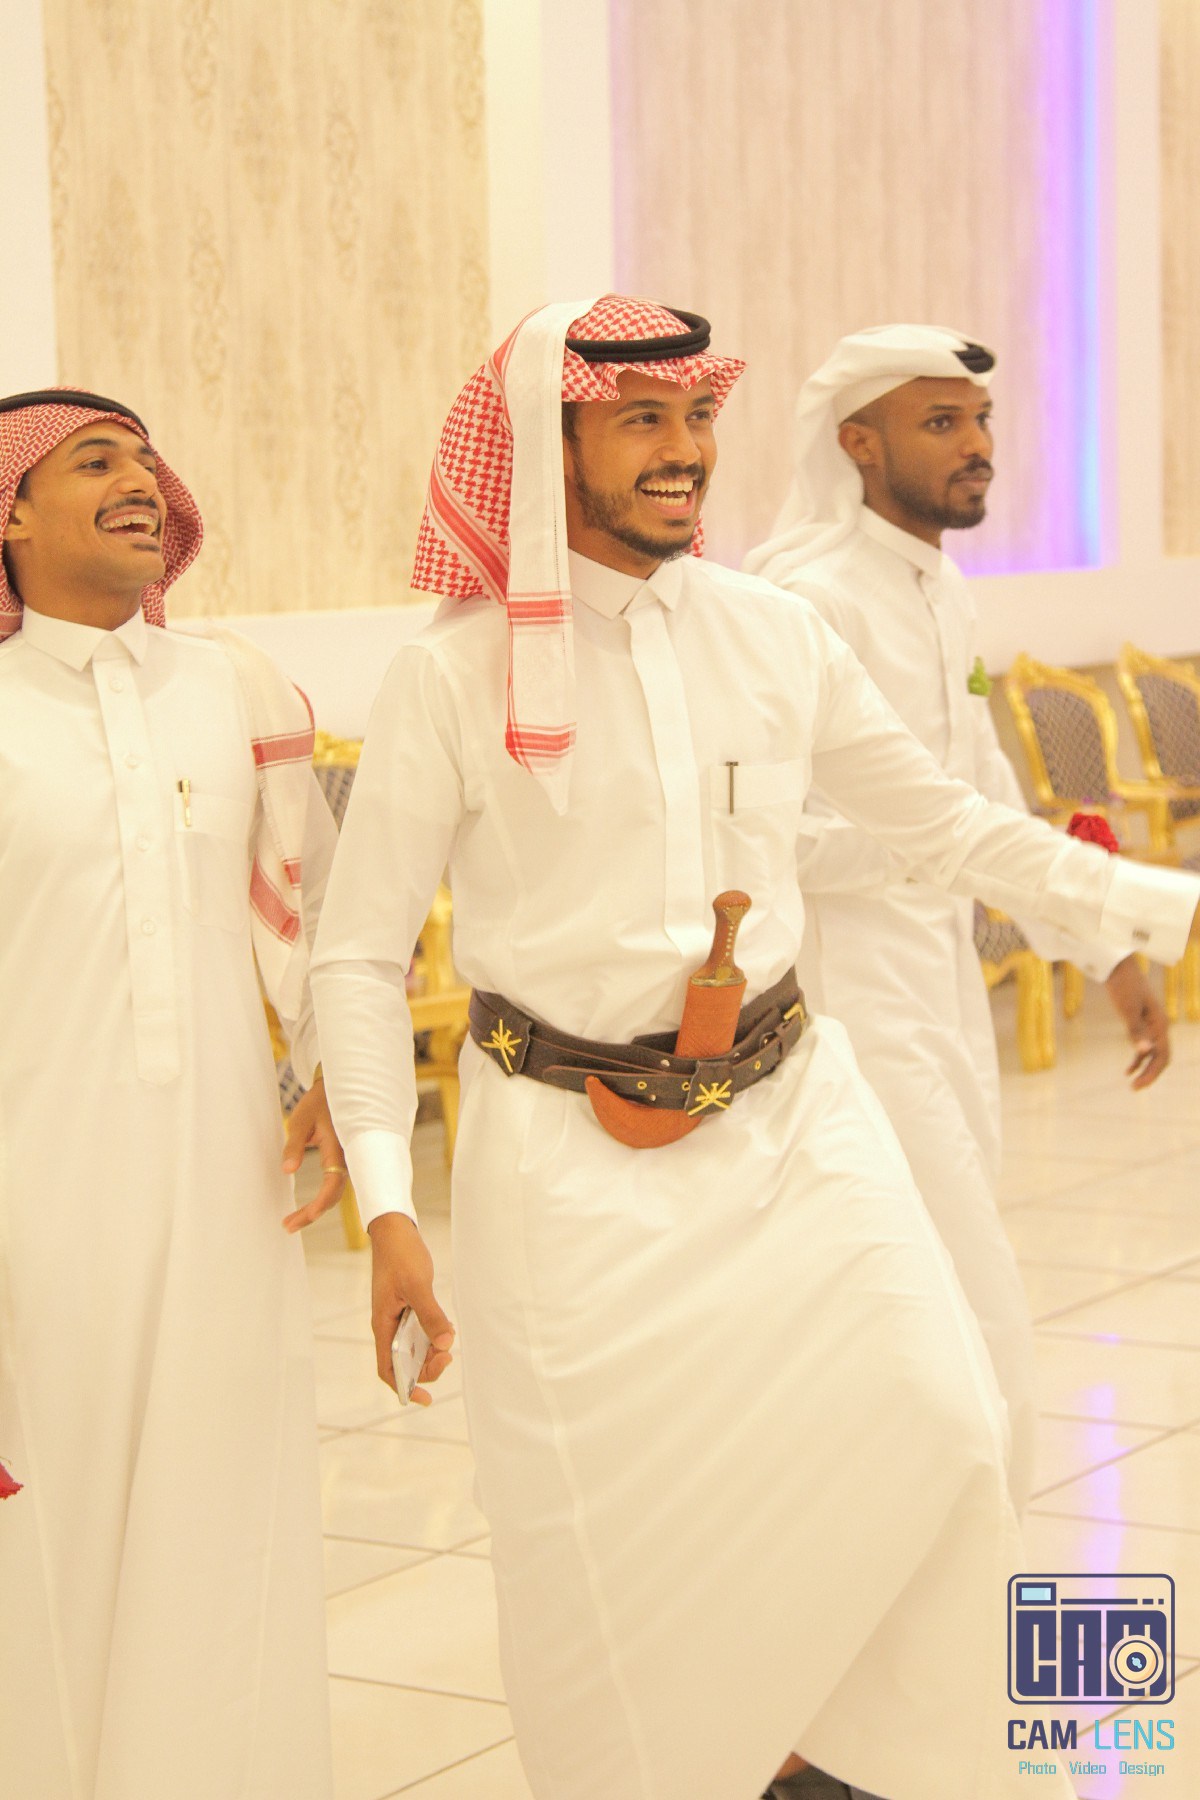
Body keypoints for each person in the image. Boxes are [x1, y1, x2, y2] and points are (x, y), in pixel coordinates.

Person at [308, 299, 1200, 1800]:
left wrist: (1160, 906)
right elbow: (356, 951)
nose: (685, 451)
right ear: (549, 444)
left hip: (791, 1113)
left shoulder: (774, 633)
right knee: (611, 1528)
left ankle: (879, 1755)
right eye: (642, 421)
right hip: (563, 1151)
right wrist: (392, 1204)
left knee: (938, 1423)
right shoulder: (451, 675)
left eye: (699, 417)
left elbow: (946, 823)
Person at [743, 324, 1170, 1511]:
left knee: (933, 1274)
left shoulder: (942, 592)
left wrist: (1103, 949)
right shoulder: (803, 602)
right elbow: (775, 835)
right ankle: (973, 1536)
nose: (978, 445)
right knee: (955, 1292)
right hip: (842, 993)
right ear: (856, 443)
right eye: (942, 423)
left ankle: (926, 1540)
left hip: (941, 980)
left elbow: (985, 791)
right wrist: (933, 851)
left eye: (981, 420)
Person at [0, 388, 343, 1799]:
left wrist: (333, 1075)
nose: (141, 481)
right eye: (95, 462)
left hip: (222, 1178)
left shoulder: (232, 688)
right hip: (34, 1183)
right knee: (53, 1510)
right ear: (12, 512)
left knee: (222, 1493)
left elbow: (316, 916)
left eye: (147, 461)